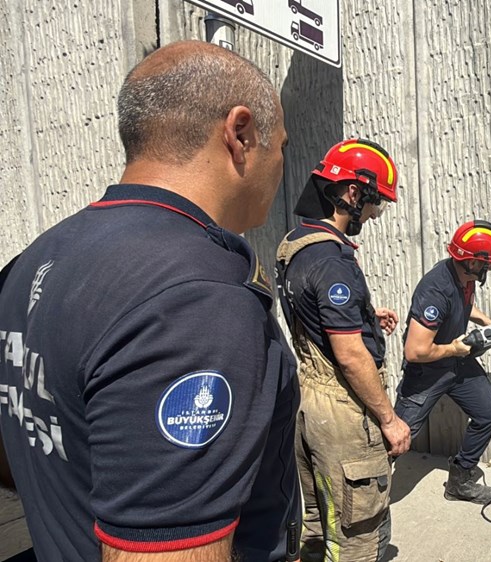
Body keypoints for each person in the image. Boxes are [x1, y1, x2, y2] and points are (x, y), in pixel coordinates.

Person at [0, 41, 300, 562]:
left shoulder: (37, 256)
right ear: (241, 134)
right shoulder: (196, 300)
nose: (281, 165)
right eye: (282, 145)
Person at [275, 138, 411, 562]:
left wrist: (366, 314)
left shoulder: (295, 245)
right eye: (375, 204)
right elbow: (350, 356)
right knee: (355, 534)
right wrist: (389, 419)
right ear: (354, 192)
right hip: (342, 409)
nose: (373, 215)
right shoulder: (333, 259)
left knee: (319, 522)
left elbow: (313, 310)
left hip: (307, 401)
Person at [393, 220, 491, 504]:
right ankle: (365, 494)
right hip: (427, 371)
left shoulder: (465, 278)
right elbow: (415, 352)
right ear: (470, 261)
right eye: (486, 264)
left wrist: (485, 320)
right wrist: (455, 350)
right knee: (395, 439)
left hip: (456, 361)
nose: (489, 269)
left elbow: (463, 303)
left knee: (488, 413)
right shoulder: (436, 290)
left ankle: (459, 481)